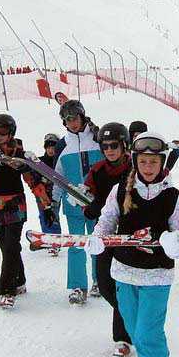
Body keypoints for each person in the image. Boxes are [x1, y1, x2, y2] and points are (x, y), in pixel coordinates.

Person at [84, 131, 179, 357]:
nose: (148, 167)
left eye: (154, 161)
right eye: (143, 161)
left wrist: (173, 243)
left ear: (162, 162)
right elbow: (107, 219)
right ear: (136, 162)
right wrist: (97, 238)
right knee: (135, 331)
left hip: (157, 276)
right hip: (124, 271)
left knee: (147, 332)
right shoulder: (121, 190)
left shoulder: (172, 198)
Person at [0, 114, 57, 308]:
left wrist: (46, 206)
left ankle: (7, 290)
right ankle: (19, 280)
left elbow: (34, 182)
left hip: (15, 205)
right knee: (7, 248)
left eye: (2, 132)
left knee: (11, 246)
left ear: (11, 132)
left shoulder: (20, 155)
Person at [83, 122, 133, 356]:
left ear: (124, 145)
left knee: (123, 284)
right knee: (105, 285)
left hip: (130, 234)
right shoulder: (97, 170)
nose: (110, 150)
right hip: (104, 234)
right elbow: (85, 196)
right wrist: (89, 208)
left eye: (114, 145)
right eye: (105, 146)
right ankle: (132, 316)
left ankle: (123, 338)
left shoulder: (136, 168)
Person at [53, 100, 104, 304]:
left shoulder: (97, 139)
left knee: (97, 242)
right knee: (75, 245)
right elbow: (57, 176)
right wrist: (52, 204)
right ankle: (77, 286)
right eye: (67, 120)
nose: (72, 123)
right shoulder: (62, 146)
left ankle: (99, 280)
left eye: (74, 118)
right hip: (73, 205)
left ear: (82, 116)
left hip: (96, 204)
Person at [34, 133, 63, 256]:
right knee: (43, 215)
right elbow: (33, 176)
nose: (51, 150)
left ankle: (55, 243)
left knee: (53, 214)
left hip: (55, 193)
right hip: (41, 193)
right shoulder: (40, 161)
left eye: (53, 147)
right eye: (48, 147)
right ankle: (47, 239)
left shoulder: (59, 161)